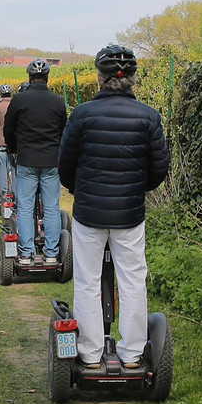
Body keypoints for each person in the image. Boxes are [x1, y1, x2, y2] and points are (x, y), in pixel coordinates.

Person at [58, 44, 169, 369]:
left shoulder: (81, 115)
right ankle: (132, 355)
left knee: (88, 280)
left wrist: (78, 189)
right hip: (129, 214)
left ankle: (91, 354)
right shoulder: (149, 117)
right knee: (133, 279)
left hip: (89, 212)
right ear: (132, 78)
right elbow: (158, 169)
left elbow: (65, 164)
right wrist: (136, 189)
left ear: (99, 77)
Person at [3, 58, 66, 266]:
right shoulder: (58, 101)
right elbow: (63, 131)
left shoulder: (19, 101)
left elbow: (8, 130)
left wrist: (13, 150)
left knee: (26, 207)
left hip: (27, 160)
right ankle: (50, 253)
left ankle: (27, 253)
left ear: (29, 78)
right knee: (51, 208)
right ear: (47, 78)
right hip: (51, 161)